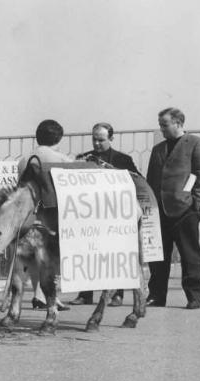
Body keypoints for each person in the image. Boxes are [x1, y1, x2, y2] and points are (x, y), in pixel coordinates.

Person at [68, 122, 142, 307]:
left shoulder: (123, 159)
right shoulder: (83, 158)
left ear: (111, 139)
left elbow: (137, 182)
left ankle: (117, 295)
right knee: (87, 252)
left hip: (113, 214)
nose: (97, 143)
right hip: (89, 215)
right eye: (94, 139)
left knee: (114, 255)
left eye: (101, 140)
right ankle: (85, 294)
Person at [145, 107, 200, 309]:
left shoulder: (196, 144)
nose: (162, 129)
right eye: (160, 125)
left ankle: (194, 297)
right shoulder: (158, 149)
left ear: (178, 123)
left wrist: (194, 202)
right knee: (158, 257)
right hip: (160, 211)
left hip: (185, 211)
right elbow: (151, 179)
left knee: (189, 255)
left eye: (164, 125)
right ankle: (157, 296)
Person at [17, 119, 73, 310]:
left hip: (29, 215)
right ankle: (50, 297)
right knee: (52, 259)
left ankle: (38, 295)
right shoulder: (62, 159)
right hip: (53, 215)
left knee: (34, 257)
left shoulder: (24, 159)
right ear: (59, 139)